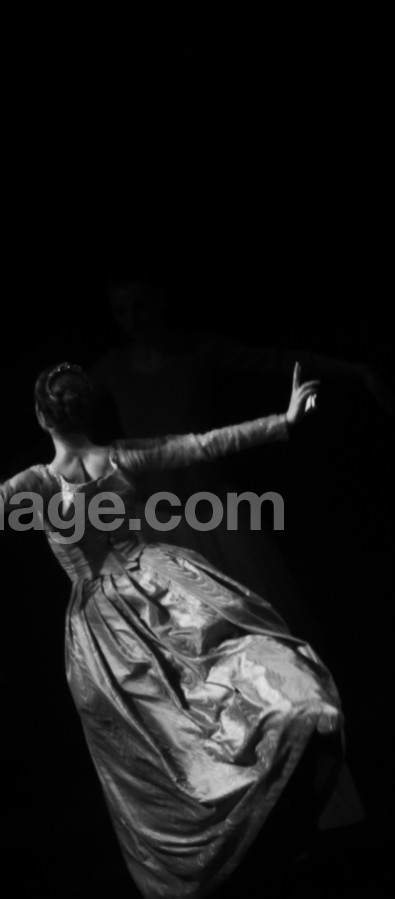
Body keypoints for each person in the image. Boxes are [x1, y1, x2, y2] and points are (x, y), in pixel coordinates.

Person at [0, 361, 356, 899]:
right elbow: (203, 443)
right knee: (212, 698)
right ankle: (261, 812)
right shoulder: (120, 456)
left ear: (40, 417)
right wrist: (283, 421)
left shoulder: (38, 483)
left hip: (107, 622)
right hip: (164, 587)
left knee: (162, 742)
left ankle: (217, 844)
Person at [88, 269, 392, 631]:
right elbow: (61, 406)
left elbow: (276, 359)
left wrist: (357, 370)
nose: (132, 320)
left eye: (139, 307)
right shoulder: (112, 367)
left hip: (210, 512)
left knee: (244, 624)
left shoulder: (196, 351)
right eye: (121, 311)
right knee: (181, 631)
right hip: (154, 521)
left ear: (159, 302)